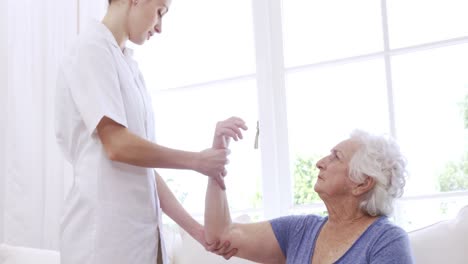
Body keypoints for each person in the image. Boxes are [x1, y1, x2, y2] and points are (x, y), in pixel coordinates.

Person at [55, 0, 235, 263]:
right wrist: (197, 161)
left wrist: (195, 230)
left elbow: (145, 171)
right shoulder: (90, 49)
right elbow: (117, 145)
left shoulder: (129, 67)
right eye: (160, 12)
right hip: (103, 240)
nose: (160, 27)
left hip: (141, 240)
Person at [205, 120, 415, 264]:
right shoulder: (301, 230)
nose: (319, 163)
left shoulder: (387, 241)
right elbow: (221, 235)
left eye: (336, 157)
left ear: (362, 183)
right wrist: (215, 162)